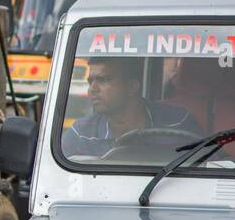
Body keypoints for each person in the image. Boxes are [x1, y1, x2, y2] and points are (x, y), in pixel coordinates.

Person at [62, 58, 202, 158]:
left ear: (132, 86)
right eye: (91, 82)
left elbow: (206, 169)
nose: (92, 89)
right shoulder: (81, 134)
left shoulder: (178, 123)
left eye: (104, 80)